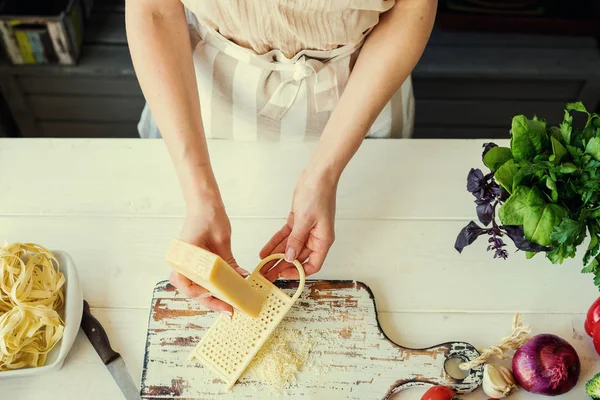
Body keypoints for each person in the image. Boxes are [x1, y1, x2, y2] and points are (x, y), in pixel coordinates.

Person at [125, 0, 436, 317]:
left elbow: (412, 10)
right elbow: (155, 11)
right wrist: (199, 196)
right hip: (197, 96)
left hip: (362, 87)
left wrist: (323, 176)